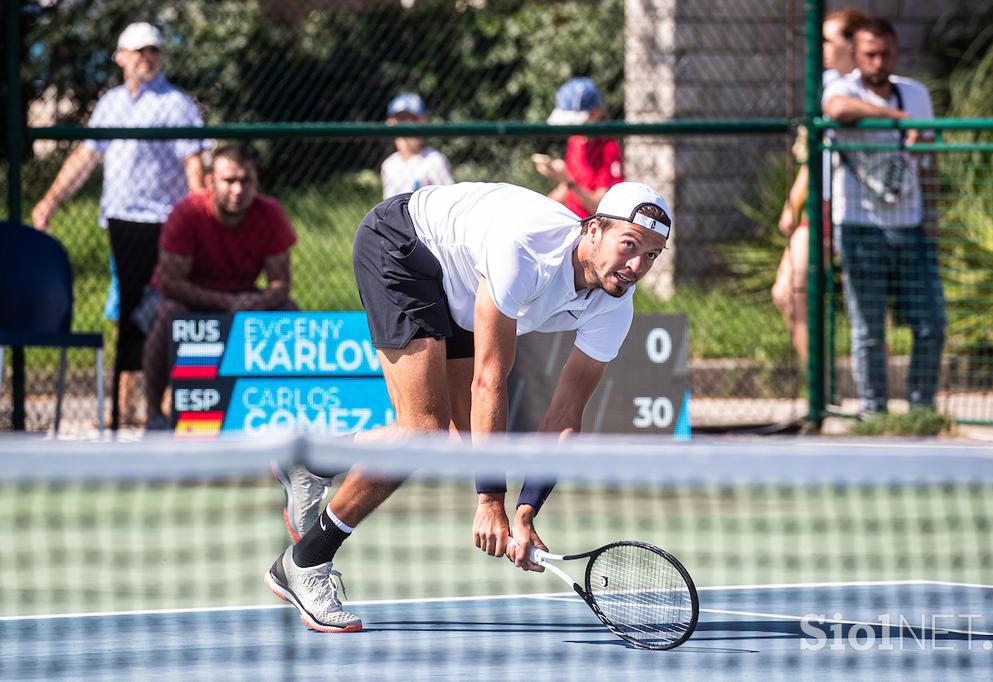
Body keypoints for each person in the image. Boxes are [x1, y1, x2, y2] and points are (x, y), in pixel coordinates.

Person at [265, 181, 672, 632]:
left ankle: (312, 461)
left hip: (460, 284)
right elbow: (489, 380)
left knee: (456, 443)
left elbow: (564, 416)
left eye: (652, 255)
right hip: (405, 243)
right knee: (423, 432)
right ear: (593, 230)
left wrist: (525, 511)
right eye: (629, 245)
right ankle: (305, 561)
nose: (637, 265)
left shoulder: (616, 307)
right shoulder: (527, 252)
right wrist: (490, 499)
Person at [30, 22, 208, 427]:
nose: (148, 57)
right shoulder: (110, 103)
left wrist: (197, 218)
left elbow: (193, 165)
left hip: (165, 224)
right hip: (121, 226)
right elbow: (85, 158)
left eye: (154, 51)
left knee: (164, 312)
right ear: (120, 57)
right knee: (127, 312)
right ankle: (121, 409)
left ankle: (162, 408)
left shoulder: (176, 104)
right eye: (140, 50)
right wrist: (50, 200)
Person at [823, 17, 944, 416]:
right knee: (869, 330)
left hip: (910, 226)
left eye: (886, 53)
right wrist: (900, 120)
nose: (879, 61)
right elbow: (838, 110)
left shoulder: (915, 93)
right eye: (870, 54)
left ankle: (921, 408)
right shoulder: (841, 87)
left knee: (930, 324)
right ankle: (873, 411)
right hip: (860, 226)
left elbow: (929, 161)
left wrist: (933, 218)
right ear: (857, 57)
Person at [139, 144, 299, 430]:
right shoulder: (187, 212)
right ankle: (154, 416)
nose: (238, 190)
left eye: (245, 181)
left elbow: (281, 284)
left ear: (256, 182)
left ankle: (288, 412)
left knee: (290, 311)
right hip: (186, 298)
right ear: (211, 181)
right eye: (229, 181)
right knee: (167, 314)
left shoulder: (271, 213)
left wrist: (259, 301)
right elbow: (170, 284)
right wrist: (226, 302)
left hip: (243, 298)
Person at [772, 7, 867, 364]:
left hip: (842, 205)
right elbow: (810, 162)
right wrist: (792, 204)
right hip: (817, 206)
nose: (820, 48)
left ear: (852, 44)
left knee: (796, 293)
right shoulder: (826, 88)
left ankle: (821, 383)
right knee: (787, 293)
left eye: (828, 40)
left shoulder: (860, 92)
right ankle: (818, 378)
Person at [533, 77, 624, 218]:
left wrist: (568, 180)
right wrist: (535, 210)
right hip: (572, 222)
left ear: (596, 113)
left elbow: (598, 207)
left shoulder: (609, 148)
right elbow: (567, 191)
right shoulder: (575, 141)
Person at [380, 93, 454, 199]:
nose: (406, 125)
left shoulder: (434, 160)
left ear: (423, 122)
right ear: (390, 122)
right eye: (401, 119)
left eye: (412, 119)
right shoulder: (389, 164)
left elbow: (449, 201)